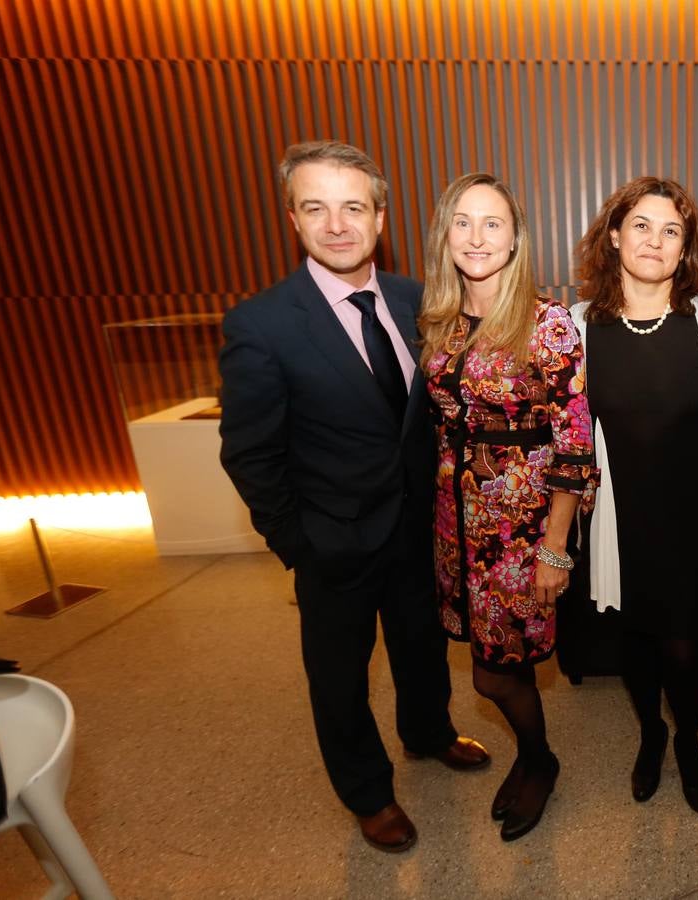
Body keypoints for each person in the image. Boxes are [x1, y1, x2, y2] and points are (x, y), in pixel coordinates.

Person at [219, 141, 488, 855]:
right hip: (331, 541)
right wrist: (298, 543)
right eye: (316, 208)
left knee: (422, 646)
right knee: (339, 677)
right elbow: (249, 452)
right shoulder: (262, 324)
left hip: (418, 529)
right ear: (293, 219)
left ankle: (429, 733)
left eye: (352, 207)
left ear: (379, 216)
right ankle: (368, 793)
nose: (336, 224)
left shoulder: (417, 300)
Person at [419, 173, 595, 842]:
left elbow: (574, 442)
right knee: (495, 661)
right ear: (445, 234)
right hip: (454, 522)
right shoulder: (437, 317)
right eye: (462, 221)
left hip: (519, 527)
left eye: (492, 223)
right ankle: (534, 758)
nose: (476, 237)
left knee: (497, 675)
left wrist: (555, 546)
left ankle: (539, 759)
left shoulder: (546, 320)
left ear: (516, 237)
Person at [569, 177, 698, 815]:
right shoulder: (579, 325)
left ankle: (689, 741)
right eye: (641, 225)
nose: (655, 240)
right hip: (617, 519)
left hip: (694, 516)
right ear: (614, 236)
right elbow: (569, 429)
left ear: (683, 249)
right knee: (635, 644)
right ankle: (651, 734)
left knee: (686, 649)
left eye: (672, 231)